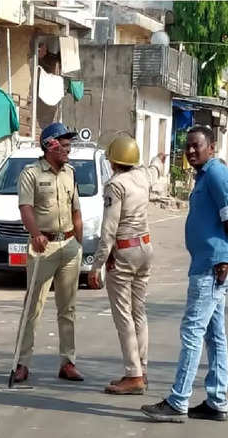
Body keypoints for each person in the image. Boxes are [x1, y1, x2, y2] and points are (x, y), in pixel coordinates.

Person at [141, 125, 228, 423]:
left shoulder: (217, 174)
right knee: (213, 334)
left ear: (212, 147)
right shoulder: (204, 176)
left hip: (213, 266)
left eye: (197, 145)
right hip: (211, 264)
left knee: (192, 332)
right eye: (188, 146)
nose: (191, 151)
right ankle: (217, 400)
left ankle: (178, 400)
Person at [12, 122, 84, 383]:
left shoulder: (71, 174)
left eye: (69, 145)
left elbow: (76, 210)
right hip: (43, 246)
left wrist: (79, 241)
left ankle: (68, 362)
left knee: (68, 309)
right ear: (49, 145)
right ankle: (22, 362)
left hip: (69, 246)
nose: (68, 149)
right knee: (33, 306)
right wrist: (35, 234)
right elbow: (25, 208)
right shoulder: (31, 173)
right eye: (63, 145)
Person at [88, 135, 152, 395]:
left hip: (124, 251)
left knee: (123, 314)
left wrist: (96, 265)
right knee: (139, 312)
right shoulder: (142, 178)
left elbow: (109, 229)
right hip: (145, 247)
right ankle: (141, 368)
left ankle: (133, 375)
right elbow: (155, 169)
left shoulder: (115, 185)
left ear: (113, 161)